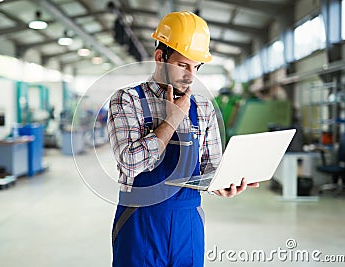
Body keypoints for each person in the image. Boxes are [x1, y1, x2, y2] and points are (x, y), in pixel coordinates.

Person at [107, 11, 259, 267]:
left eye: (196, 67)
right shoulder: (127, 100)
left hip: (188, 224)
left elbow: (210, 167)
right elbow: (131, 164)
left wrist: (222, 183)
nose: (190, 75)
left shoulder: (203, 108)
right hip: (140, 222)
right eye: (182, 65)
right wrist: (172, 120)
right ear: (160, 57)